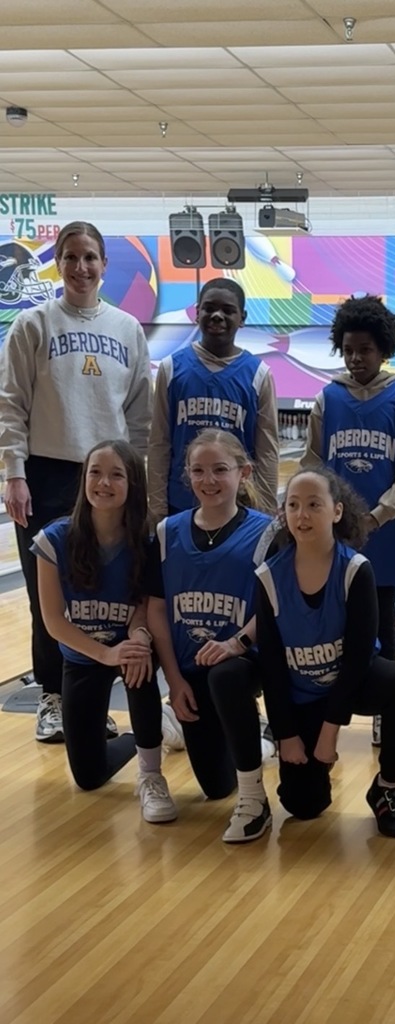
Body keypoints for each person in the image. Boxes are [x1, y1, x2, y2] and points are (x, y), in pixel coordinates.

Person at [0, 220, 152, 744]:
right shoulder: (33, 325)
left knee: (102, 592)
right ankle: (52, 697)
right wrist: (14, 474)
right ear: (57, 263)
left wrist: (140, 482)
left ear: (104, 265)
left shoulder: (128, 329)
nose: (81, 267)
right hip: (46, 472)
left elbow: (140, 416)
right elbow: (11, 405)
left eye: (90, 257)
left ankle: (89, 697)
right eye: (70, 257)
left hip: (108, 477)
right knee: (53, 594)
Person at [256, 467, 395, 839]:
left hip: (351, 683)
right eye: (293, 505)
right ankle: (310, 773)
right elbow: (270, 666)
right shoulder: (269, 577)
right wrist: (287, 734)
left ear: (337, 511)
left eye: (314, 504)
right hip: (301, 693)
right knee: (303, 806)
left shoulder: (355, 570)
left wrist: (330, 732)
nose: (302, 515)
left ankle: (387, 786)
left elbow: (357, 658)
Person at [31, 439, 176, 821]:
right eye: (95, 472)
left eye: (117, 475)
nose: (104, 483)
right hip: (83, 655)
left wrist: (138, 636)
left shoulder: (146, 539)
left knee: (137, 660)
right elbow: (54, 622)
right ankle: (157, 729)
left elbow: (144, 604)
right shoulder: (55, 539)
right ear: (84, 479)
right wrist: (105, 654)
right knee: (89, 777)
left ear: (132, 486)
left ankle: (151, 774)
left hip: (128, 646)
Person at [301, 295, 395, 746]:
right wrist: (317, 513)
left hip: (383, 533)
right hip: (333, 533)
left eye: (365, 350)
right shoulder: (327, 398)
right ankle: (325, 698)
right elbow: (312, 463)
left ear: (383, 349)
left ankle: (382, 707)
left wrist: (372, 518)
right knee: (332, 617)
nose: (356, 358)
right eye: (349, 350)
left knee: (381, 617)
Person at [146, 429, 274, 842]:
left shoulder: (267, 533)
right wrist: (175, 682)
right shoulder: (167, 533)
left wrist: (237, 643)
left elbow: (275, 606)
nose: (209, 480)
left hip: (241, 662)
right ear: (187, 475)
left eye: (220, 470)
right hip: (191, 672)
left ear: (244, 473)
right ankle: (250, 740)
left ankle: (255, 784)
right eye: (199, 471)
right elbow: (157, 610)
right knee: (216, 786)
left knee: (226, 676)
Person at [147, 277, 279, 520]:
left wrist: (267, 515)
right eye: (209, 308)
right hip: (181, 506)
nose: (217, 315)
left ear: (243, 318)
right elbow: (159, 444)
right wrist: (156, 509)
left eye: (228, 311)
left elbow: (267, 453)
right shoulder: (171, 369)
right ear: (197, 313)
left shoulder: (258, 374)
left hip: (238, 508)